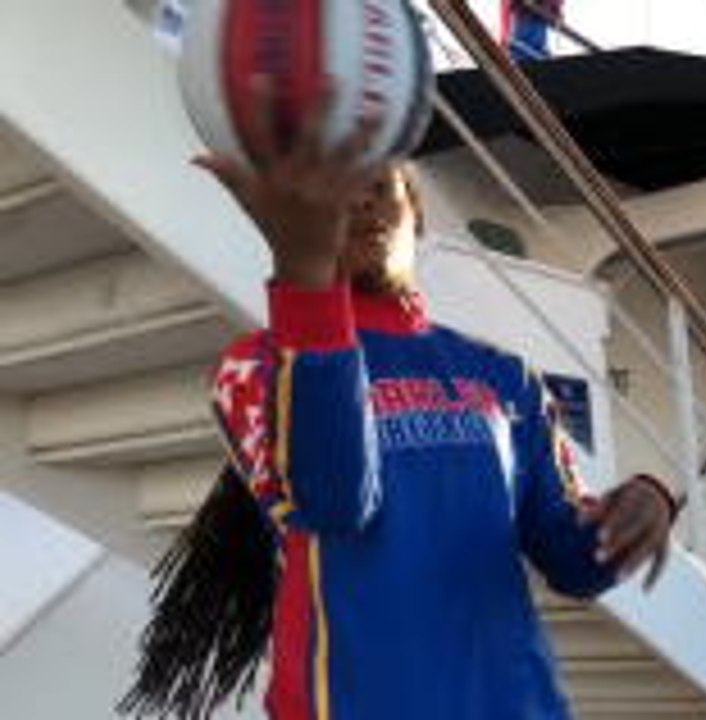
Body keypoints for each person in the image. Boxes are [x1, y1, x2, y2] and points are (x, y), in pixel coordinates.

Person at [121, 83, 676, 719]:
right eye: (339, 191)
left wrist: (642, 504)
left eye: (381, 186)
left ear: (418, 216)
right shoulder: (258, 363)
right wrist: (305, 279)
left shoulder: (504, 375)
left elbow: (572, 561)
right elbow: (333, 502)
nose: (361, 202)